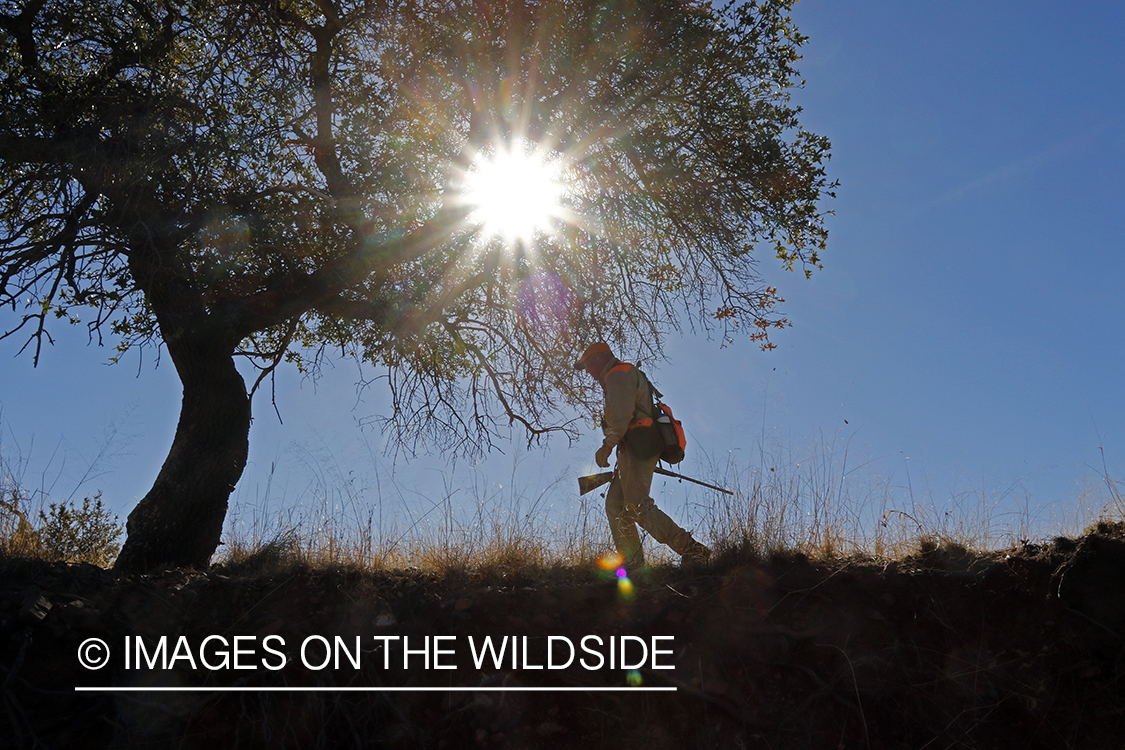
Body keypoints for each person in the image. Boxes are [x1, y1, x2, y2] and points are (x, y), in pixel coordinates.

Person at [574, 342, 711, 569]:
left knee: (637, 504)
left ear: (598, 359)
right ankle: (634, 565)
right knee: (616, 506)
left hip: (637, 446)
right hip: (635, 447)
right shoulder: (620, 372)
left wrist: (606, 448)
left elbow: (620, 418)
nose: (587, 371)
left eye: (587, 365)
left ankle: (693, 550)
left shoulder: (616, 375)